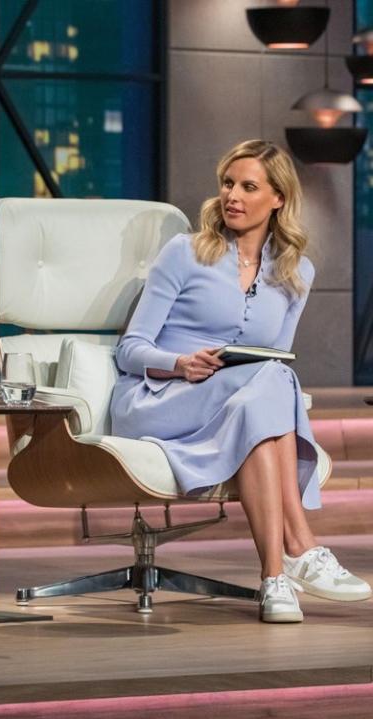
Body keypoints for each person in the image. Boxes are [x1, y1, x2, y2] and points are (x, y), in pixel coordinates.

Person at [109, 139, 370, 623]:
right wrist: (180, 362)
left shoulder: (297, 273)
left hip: (236, 406)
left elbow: (275, 358)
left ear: (278, 199)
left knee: (270, 384)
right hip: (160, 397)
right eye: (228, 184)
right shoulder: (185, 252)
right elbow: (129, 351)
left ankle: (275, 579)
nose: (232, 195)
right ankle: (301, 549)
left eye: (248, 186)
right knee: (273, 382)